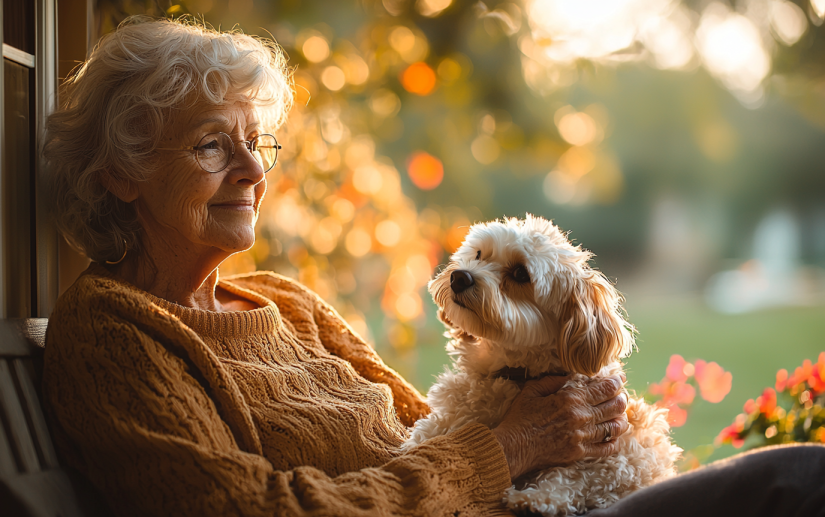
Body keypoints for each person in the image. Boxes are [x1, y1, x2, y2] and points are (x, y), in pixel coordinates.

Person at [41, 17, 630, 516]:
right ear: (120, 175)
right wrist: (515, 446)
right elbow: (253, 509)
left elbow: (437, 429)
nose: (254, 171)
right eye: (213, 145)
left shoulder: (288, 303)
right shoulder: (113, 335)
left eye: (256, 142)